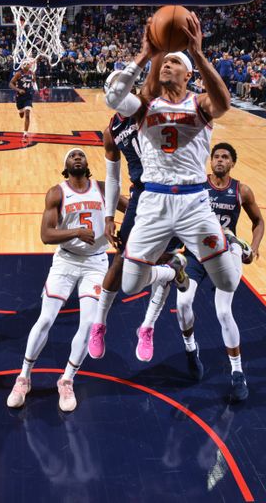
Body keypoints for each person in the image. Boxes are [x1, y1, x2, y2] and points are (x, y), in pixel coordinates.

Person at [102, 13, 247, 321]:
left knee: (229, 281)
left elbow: (224, 104)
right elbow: (113, 98)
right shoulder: (143, 107)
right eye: (164, 61)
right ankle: (171, 272)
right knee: (129, 285)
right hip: (153, 203)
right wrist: (145, 54)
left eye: (175, 62)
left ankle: (230, 242)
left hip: (194, 203)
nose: (166, 64)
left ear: (188, 74)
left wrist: (198, 53)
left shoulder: (200, 104)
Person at [6, 148, 126, 412]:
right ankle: (24, 377)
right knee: (46, 319)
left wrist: (130, 233)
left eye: (81, 155)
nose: (78, 157)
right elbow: (46, 235)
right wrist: (76, 232)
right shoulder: (57, 193)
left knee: (88, 324)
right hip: (66, 261)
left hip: (96, 262)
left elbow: (134, 209)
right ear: (66, 165)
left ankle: (67, 379)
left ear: (87, 163)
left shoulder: (104, 189)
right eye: (72, 156)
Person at [88, 83, 190, 362]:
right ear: (109, 96)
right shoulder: (112, 131)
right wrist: (109, 216)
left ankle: (147, 327)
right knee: (122, 260)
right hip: (142, 194)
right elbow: (112, 177)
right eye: (114, 91)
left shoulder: (147, 105)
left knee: (164, 257)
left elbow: (157, 79)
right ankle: (99, 324)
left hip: (173, 189)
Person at [175, 143, 264, 401]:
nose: (220, 161)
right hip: (195, 254)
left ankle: (238, 374)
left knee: (224, 311)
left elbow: (258, 220)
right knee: (183, 303)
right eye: (216, 157)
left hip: (225, 255)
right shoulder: (198, 185)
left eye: (225, 157)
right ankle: (192, 351)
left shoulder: (242, 191)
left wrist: (254, 247)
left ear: (232, 163)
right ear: (210, 161)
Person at [9, 60, 37, 138]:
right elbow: (10, 84)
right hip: (20, 97)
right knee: (21, 115)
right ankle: (21, 111)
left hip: (28, 96)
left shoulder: (32, 74)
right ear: (24, 66)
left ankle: (25, 133)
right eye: (28, 64)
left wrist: (34, 82)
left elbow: (34, 81)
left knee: (27, 114)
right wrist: (18, 90)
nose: (29, 65)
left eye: (29, 64)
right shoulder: (19, 74)